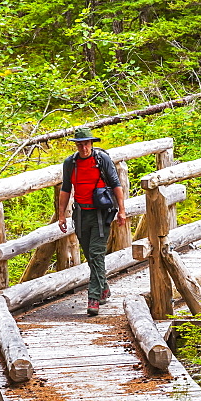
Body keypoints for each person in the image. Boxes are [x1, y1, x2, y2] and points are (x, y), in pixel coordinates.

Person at [57, 128, 126, 316]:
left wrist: (122, 211)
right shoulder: (70, 163)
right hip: (80, 214)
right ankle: (103, 288)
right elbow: (65, 189)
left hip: (101, 214)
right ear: (76, 145)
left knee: (96, 254)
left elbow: (116, 185)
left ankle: (94, 298)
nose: (84, 147)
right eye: (80, 144)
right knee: (90, 254)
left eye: (86, 143)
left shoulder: (102, 160)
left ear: (91, 143)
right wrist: (61, 214)